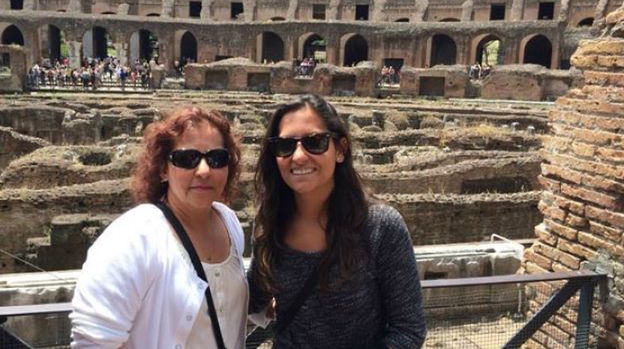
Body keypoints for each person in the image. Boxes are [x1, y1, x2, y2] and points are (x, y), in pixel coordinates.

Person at [248, 94, 426, 348]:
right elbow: (253, 299)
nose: (298, 156)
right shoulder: (269, 222)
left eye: (314, 142)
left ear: (340, 150)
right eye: (285, 145)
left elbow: (409, 330)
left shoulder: (381, 227)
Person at [70, 107, 247, 348]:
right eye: (187, 158)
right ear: (163, 169)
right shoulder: (133, 237)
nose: (204, 171)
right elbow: (93, 342)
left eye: (217, 158)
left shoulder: (230, 223)